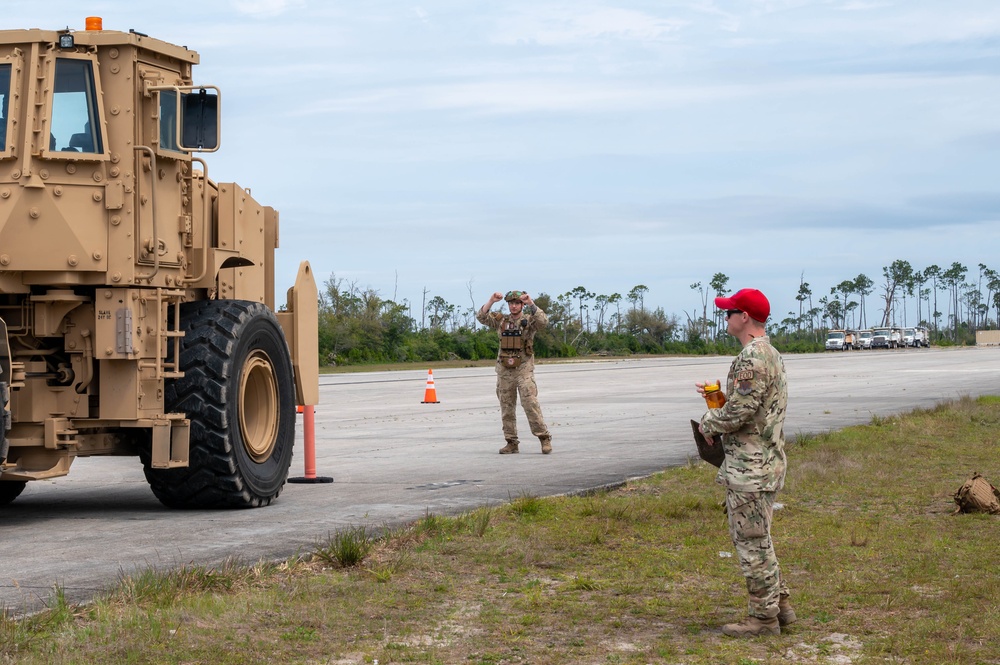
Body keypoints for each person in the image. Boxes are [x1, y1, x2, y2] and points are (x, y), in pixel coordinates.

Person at [695, 287, 794, 638]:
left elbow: (741, 411)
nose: (726, 318)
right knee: (760, 538)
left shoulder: (752, 357)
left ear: (745, 318)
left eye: (729, 312)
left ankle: (763, 620)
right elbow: (749, 407)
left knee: (752, 544)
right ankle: (779, 606)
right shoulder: (769, 353)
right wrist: (718, 399)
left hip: (750, 468)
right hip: (763, 462)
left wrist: (709, 421)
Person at [476, 290, 552, 455]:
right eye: (511, 303)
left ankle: (544, 437)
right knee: (506, 406)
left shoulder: (529, 321)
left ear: (522, 305)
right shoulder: (502, 320)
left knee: (530, 403)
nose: (514, 306)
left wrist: (531, 303)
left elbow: (543, 322)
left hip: (524, 368)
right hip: (504, 370)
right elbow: (481, 317)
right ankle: (511, 442)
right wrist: (491, 300)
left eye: (517, 303)